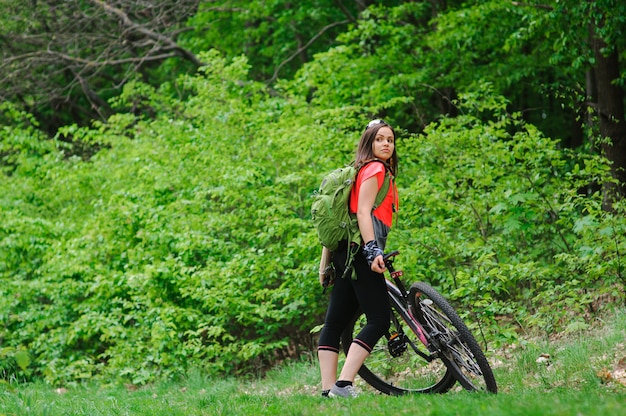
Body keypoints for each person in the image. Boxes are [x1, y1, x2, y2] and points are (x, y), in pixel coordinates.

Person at [317, 119, 399, 398]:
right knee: (379, 318)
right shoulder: (375, 169)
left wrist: (325, 264)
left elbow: (342, 220)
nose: (386, 144)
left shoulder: (357, 171)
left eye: (390, 140)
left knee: (334, 323)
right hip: (360, 253)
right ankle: (343, 384)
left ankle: (328, 391)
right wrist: (373, 250)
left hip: (344, 254)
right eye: (379, 139)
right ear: (369, 143)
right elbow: (363, 213)